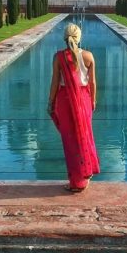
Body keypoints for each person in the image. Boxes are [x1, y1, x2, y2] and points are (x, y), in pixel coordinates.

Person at [47, 23, 99, 192]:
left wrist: (50, 103)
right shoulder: (89, 56)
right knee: (85, 136)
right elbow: (92, 83)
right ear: (79, 37)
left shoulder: (58, 57)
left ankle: (76, 183)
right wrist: (93, 101)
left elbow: (55, 82)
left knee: (70, 142)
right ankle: (86, 173)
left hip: (64, 101)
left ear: (64, 37)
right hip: (84, 100)